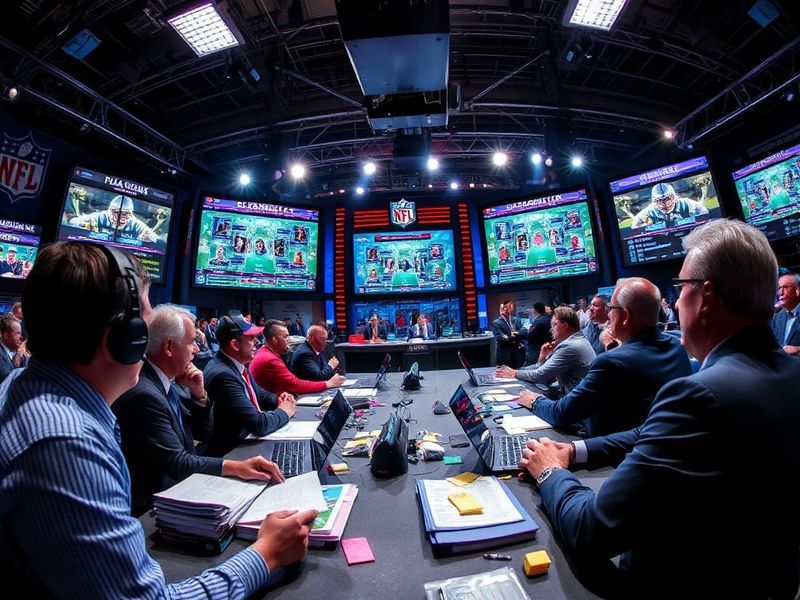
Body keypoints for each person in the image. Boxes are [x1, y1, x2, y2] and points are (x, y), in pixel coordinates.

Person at [0, 242, 316, 598]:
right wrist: (265, 554)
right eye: (143, 328)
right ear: (123, 339)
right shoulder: (66, 444)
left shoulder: (22, 385)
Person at [518, 219, 800, 599]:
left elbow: (592, 530)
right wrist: (575, 450)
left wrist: (550, 471)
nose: (677, 300)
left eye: (681, 288)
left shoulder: (697, 395)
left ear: (707, 297)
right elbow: (648, 432)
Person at [113, 304, 285, 515]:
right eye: (192, 342)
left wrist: (198, 395)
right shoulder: (145, 394)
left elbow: (203, 433)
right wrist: (236, 467)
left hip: (181, 486)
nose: (197, 349)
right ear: (169, 347)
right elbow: (178, 463)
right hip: (154, 508)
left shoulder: (171, 382)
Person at [520, 278, 691, 437]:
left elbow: (560, 413)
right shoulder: (677, 344)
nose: (608, 314)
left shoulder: (611, 361)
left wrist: (534, 400)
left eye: (611, 309)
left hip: (609, 452)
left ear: (625, 316)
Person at [204, 315, 297, 457]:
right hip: (234, 453)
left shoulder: (236, 364)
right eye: (252, 338)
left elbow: (260, 394)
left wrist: (280, 399)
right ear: (235, 344)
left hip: (248, 442)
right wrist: (284, 411)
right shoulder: (222, 375)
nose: (257, 342)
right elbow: (258, 425)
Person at [497, 307, 595, 396]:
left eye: (554, 324)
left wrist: (514, 373)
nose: (550, 330)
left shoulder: (570, 346)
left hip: (577, 405)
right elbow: (542, 368)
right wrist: (542, 357)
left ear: (565, 326)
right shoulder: (578, 340)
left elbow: (540, 375)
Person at [251, 320, 344, 398]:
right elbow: (295, 385)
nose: (290, 339)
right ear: (275, 340)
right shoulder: (269, 359)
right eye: (286, 336)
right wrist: (328, 384)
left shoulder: (268, 353)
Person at [69, 195, 158, 242]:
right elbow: (72, 222)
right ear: (109, 210)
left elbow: (156, 239)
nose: (121, 217)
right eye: (116, 212)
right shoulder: (99, 217)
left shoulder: (136, 225)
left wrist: (149, 238)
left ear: (131, 214)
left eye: (126, 213)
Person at [631, 182, 708, 229]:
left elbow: (705, 213)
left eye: (668, 198)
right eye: (660, 200)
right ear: (654, 200)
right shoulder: (648, 212)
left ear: (674, 196)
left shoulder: (686, 204)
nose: (665, 203)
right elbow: (634, 227)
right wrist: (646, 225)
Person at [771, 272, 800, 354]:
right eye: (779, 288)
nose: (780, 293)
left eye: (785, 287)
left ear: (798, 290)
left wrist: (798, 349)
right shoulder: (776, 318)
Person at [492, 300, 525, 368]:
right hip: (505, 355)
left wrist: (510, 336)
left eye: (508, 307)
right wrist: (515, 335)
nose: (505, 309)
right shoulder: (496, 323)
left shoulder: (516, 320)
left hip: (517, 353)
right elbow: (500, 339)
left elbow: (522, 333)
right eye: (503, 307)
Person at [0, 313, 27, 383]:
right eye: (18, 333)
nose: (21, 337)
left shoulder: (9, 350)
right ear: (6, 335)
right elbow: (7, 380)